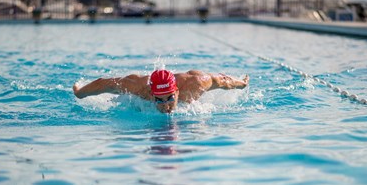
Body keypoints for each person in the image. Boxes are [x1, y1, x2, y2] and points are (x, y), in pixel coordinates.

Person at [73, 69, 249, 114]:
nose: (166, 107)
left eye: (170, 98)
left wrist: (242, 83)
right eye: (160, 100)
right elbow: (105, 84)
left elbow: (223, 80)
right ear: (151, 95)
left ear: (177, 91)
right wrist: (80, 92)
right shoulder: (138, 88)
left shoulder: (195, 84)